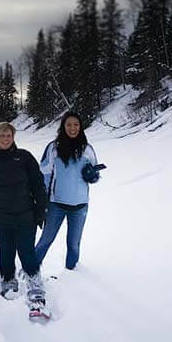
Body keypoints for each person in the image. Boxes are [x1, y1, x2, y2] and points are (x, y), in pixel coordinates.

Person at [0, 122, 48, 296]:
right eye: (2, 136)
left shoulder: (24, 158)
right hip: (1, 219)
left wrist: (41, 209)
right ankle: (8, 280)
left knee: (27, 250)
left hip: (26, 215)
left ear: (13, 137)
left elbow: (38, 185)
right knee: (6, 252)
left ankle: (34, 279)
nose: (6, 139)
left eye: (9, 135)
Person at [35, 111, 101, 270]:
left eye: (76, 124)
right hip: (56, 204)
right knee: (46, 240)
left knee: (74, 244)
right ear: (63, 127)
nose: (73, 128)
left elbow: (95, 175)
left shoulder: (88, 149)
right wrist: (42, 199)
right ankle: (31, 269)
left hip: (80, 206)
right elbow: (43, 172)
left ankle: (71, 275)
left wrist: (92, 176)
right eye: (69, 124)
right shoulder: (53, 148)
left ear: (81, 127)